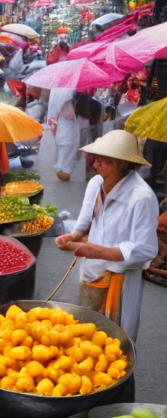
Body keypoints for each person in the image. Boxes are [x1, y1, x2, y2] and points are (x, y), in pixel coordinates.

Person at [55, 130, 158, 341]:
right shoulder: (96, 184)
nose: (95, 165)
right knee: (85, 330)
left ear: (120, 164)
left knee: (113, 338)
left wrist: (98, 251)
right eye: (96, 159)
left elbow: (147, 249)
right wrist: (73, 236)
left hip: (119, 279)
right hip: (92, 272)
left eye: (103, 160)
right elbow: (85, 220)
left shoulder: (142, 197)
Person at [48, 88, 78, 181]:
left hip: (62, 129)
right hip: (66, 129)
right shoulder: (67, 92)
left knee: (63, 149)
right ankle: (62, 168)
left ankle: (61, 166)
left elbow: (54, 110)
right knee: (66, 150)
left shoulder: (56, 90)